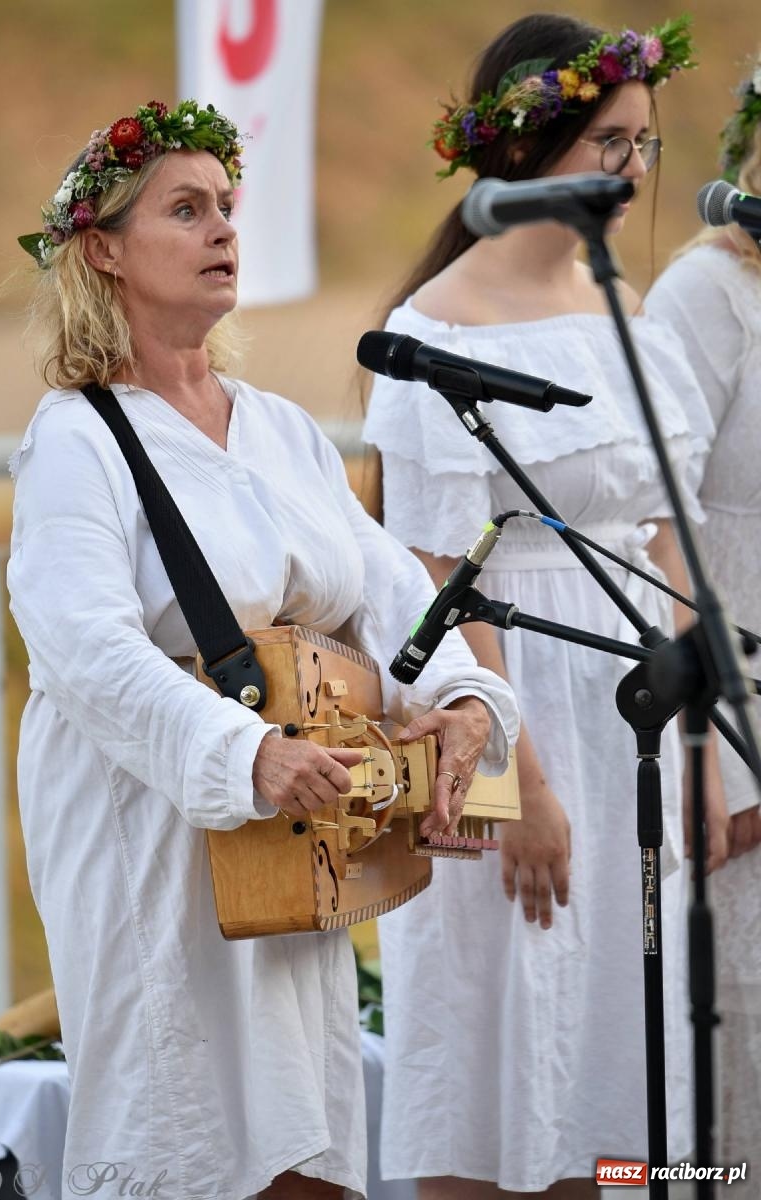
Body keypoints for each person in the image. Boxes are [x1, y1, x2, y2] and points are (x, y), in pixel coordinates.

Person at [7, 99, 519, 1200]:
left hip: (298, 837)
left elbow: (395, 602)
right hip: (153, 832)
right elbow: (84, 645)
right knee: (178, 1137)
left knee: (302, 1146)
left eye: (226, 207)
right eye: (184, 210)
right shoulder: (75, 437)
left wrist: (471, 703)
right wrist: (244, 757)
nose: (222, 230)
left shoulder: (281, 427)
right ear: (102, 248)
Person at [362, 14, 729, 1198]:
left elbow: (670, 537)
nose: (627, 172)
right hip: (506, 702)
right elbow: (428, 569)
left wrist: (704, 747)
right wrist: (504, 781)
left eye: (640, 144)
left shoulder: (627, 313)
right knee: (494, 1060)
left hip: (633, 704)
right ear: (522, 154)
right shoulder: (432, 335)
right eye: (602, 143)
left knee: (623, 1079)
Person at [646, 54, 761, 1197]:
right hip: (736, 726)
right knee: (738, 1056)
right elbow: (656, 524)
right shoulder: (705, 294)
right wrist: (718, 759)